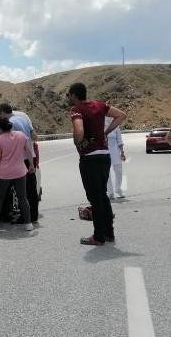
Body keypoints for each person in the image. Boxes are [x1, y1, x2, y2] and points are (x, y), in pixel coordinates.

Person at [67, 83, 126, 246]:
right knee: (103, 195)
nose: (68, 98)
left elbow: (79, 130)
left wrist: (78, 143)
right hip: (104, 155)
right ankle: (108, 233)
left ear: (73, 95)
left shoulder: (77, 109)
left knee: (95, 198)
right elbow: (121, 115)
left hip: (89, 158)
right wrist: (105, 133)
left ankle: (98, 236)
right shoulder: (100, 105)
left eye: (68, 95)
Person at [0, 117, 35, 232]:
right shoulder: (21, 135)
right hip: (20, 171)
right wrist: (31, 165)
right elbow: (28, 150)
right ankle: (28, 224)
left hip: (4, 173)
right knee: (23, 198)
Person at [0, 103, 40, 222]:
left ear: (2, 112)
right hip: (29, 158)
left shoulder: (10, 124)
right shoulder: (23, 118)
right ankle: (34, 215)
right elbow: (34, 136)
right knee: (31, 189)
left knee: (21, 192)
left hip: (18, 161)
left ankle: (24, 217)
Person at [105, 116, 126, 199]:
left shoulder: (115, 125)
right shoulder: (100, 124)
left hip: (115, 151)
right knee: (106, 172)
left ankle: (118, 189)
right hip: (105, 151)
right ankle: (110, 192)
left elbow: (120, 140)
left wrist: (122, 152)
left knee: (119, 171)